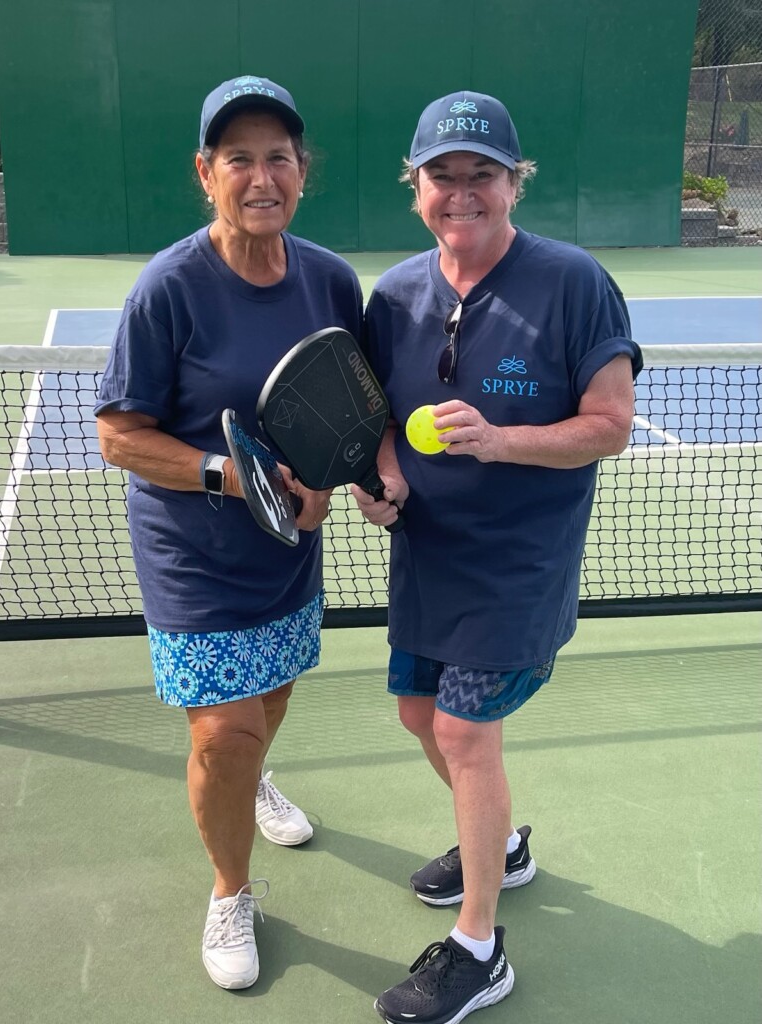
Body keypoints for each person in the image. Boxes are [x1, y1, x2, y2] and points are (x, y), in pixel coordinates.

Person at [351, 91, 642, 1024]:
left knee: (466, 735)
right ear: (416, 187)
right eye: (443, 175)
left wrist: (502, 440)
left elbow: (610, 427)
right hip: (428, 554)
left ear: (517, 183)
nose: (462, 192)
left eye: (484, 174)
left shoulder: (574, 282)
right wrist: (379, 475)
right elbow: (376, 425)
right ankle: (505, 849)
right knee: (416, 716)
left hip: (521, 561)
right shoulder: (394, 296)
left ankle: (479, 948)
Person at [94, 75, 363, 991]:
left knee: (271, 697)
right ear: (204, 172)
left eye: (278, 157)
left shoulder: (329, 278)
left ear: (301, 173)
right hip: (193, 555)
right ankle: (230, 888)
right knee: (223, 733)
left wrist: (322, 487)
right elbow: (119, 435)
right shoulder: (168, 287)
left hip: (288, 546)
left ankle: (256, 781)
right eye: (238, 158)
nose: (261, 176)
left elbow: (345, 407)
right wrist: (225, 475)